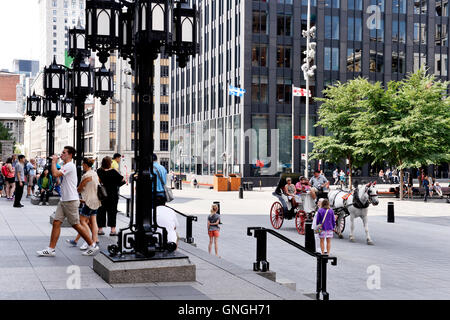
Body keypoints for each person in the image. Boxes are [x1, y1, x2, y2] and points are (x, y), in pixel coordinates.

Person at [37, 146, 99, 257]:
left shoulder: (70, 165)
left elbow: (55, 174)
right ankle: (51, 249)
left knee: (76, 224)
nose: (62, 154)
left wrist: (54, 161)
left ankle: (92, 245)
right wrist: (55, 163)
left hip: (70, 200)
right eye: (62, 152)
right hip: (64, 200)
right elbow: (56, 173)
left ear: (70, 155)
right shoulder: (66, 166)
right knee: (56, 222)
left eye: (64, 152)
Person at [67, 158, 101, 249]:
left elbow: (79, 189)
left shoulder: (86, 176)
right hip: (96, 200)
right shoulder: (95, 174)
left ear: (86, 165)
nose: (82, 166)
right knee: (93, 221)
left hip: (88, 201)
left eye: (83, 164)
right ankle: (94, 241)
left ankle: (88, 240)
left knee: (82, 221)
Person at [97, 156, 126, 236]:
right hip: (113, 195)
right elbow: (122, 181)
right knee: (112, 212)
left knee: (101, 211)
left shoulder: (99, 171)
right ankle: (112, 230)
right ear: (110, 163)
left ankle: (100, 229)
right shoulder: (114, 172)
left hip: (102, 195)